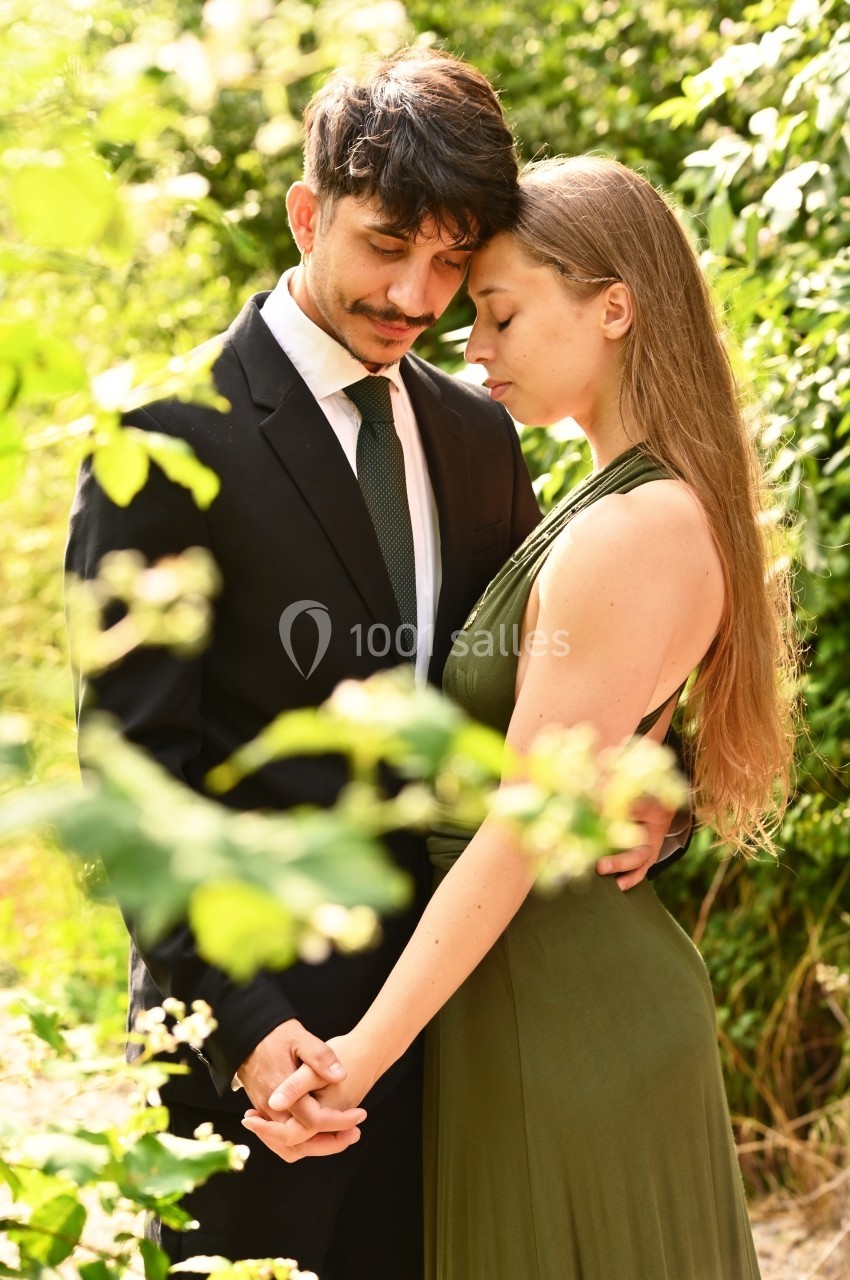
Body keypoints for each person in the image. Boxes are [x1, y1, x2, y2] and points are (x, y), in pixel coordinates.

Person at [65, 59, 679, 1278]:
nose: (414, 294)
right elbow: (129, 781)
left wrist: (659, 790)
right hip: (256, 1072)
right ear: (308, 214)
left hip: (459, 1046)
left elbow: (551, 681)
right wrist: (243, 1031)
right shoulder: (163, 431)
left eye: (452, 263)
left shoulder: (475, 433)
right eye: (385, 244)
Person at [248, 157, 796, 1279]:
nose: (470, 340)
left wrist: (355, 1059)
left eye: (497, 311)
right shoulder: (604, 503)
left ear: (612, 305)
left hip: (568, 1020)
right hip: (526, 1003)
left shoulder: (627, 527)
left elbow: (518, 824)